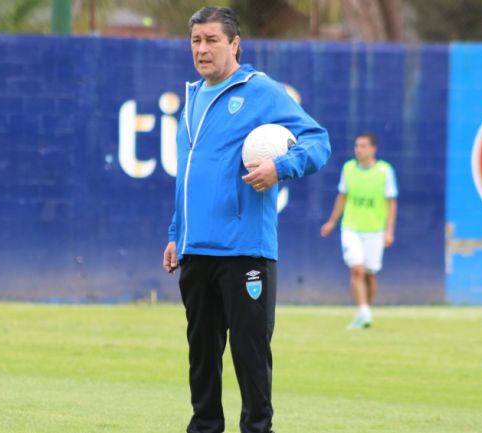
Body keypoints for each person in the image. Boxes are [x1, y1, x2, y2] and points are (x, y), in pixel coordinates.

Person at [162, 6, 331, 433]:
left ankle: (258, 429)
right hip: (195, 249)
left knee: (250, 353)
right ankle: (204, 426)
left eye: (212, 40)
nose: (202, 49)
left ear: (235, 44)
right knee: (201, 352)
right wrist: (175, 234)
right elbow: (188, 176)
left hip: (245, 249)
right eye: (196, 41)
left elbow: (318, 141)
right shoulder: (193, 97)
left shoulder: (260, 90)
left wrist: (280, 167)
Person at [320, 133, 397, 329]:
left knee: (370, 275)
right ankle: (363, 311)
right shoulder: (348, 169)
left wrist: (389, 231)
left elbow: (391, 203)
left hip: (375, 230)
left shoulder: (385, 171)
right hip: (351, 228)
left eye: (363, 146)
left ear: (373, 149)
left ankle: (364, 312)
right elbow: (342, 197)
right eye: (357, 146)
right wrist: (331, 222)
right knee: (357, 269)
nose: (358, 150)